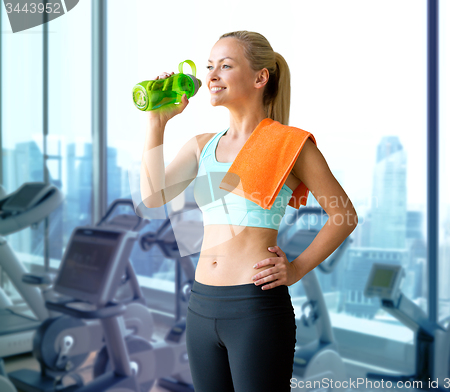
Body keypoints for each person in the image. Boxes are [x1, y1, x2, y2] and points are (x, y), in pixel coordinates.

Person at [140, 30, 357, 392]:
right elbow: (152, 197)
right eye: (209, 66)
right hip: (200, 305)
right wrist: (156, 122)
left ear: (260, 78)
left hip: (254, 308)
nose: (211, 76)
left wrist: (297, 268)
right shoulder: (201, 146)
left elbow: (344, 215)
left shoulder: (289, 144)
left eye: (225, 66)